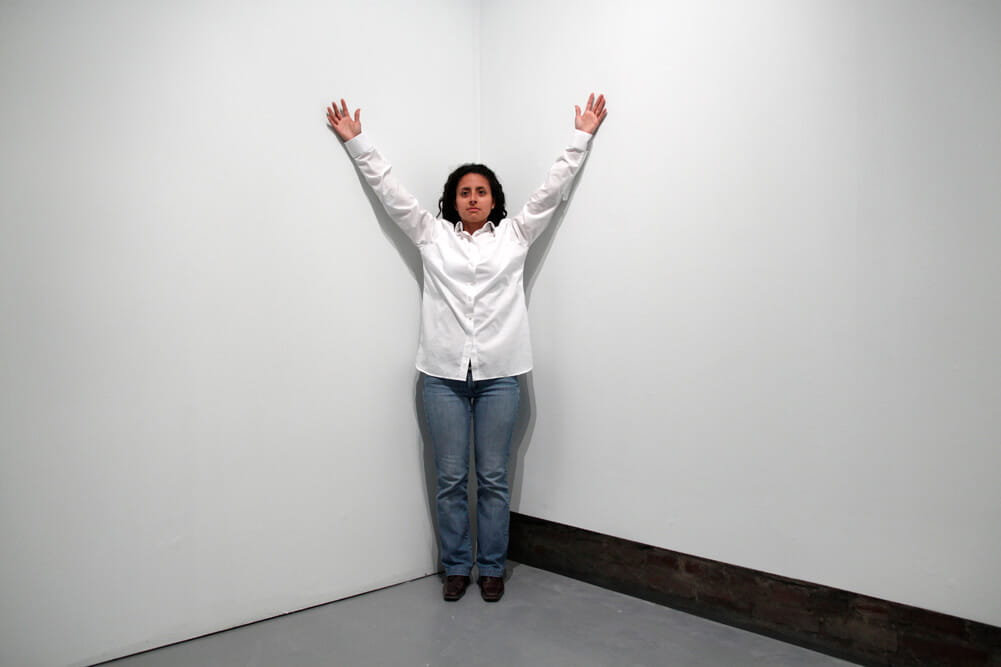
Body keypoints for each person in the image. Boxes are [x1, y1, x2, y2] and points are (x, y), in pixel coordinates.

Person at [325, 94, 608, 602]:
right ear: (452, 201)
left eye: (480, 191)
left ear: (493, 199)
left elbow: (550, 192)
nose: (472, 198)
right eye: (463, 192)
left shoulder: (515, 237)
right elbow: (393, 195)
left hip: (501, 375)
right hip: (442, 377)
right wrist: (357, 142)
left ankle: (492, 567)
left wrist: (581, 136)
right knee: (451, 478)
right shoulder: (433, 237)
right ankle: (457, 566)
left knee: (494, 478)